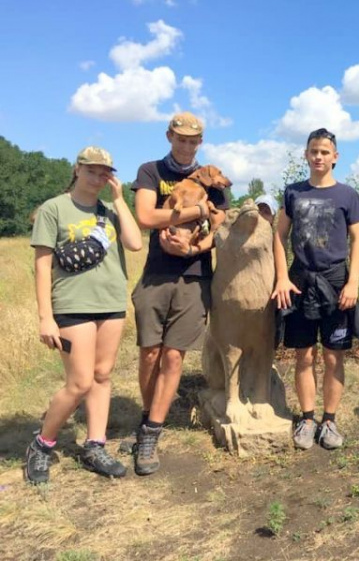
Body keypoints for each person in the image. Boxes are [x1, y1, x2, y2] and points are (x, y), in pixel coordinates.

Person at [25, 147, 142, 484]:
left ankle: (95, 445)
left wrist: (120, 200)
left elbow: (135, 243)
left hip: (110, 302)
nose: (98, 178)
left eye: (105, 172)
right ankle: (42, 444)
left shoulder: (109, 210)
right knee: (79, 382)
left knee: (103, 375)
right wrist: (45, 317)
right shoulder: (54, 209)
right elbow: (42, 266)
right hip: (72, 305)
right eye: (92, 171)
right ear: (77, 170)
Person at [128, 112, 229, 475]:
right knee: (150, 353)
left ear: (199, 142)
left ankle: (152, 432)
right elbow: (144, 217)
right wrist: (196, 209)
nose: (186, 145)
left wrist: (191, 249)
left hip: (193, 277)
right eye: (180, 139)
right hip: (156, 275)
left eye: (193, 140)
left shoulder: (213, 179)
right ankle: (146, 417)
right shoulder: (151, 172)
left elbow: (218, 229)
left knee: (174, 357)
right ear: (169, 136)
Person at [271, 127, 359, 451]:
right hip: (300, 280)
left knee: (332, 356)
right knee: (303, 354)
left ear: (335, 157)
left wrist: (353, 281)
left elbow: (358, 239)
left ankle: (330, 420)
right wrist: (282, 277)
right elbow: (278, 235)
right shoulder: (293, 192)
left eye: (325, 152)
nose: (318, 157)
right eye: (314, 151)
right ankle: (307, 419)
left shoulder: (347, 195)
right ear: (306, 154)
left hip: (336, 281)